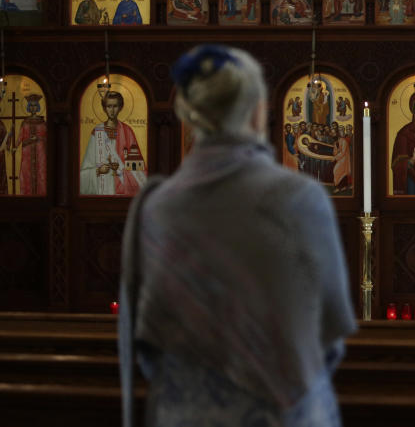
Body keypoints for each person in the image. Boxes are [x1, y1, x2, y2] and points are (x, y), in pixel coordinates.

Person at [118, 45, 356, 427]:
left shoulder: (157, 208)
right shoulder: (298, 199)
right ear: (259, 111)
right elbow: (328, 334)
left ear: (189, 113)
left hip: (184, 416)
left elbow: (150, 348)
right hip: (284, 414)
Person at [79, 91, 146, 196]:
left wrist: (120, 171)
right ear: (104, 108)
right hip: (101, 188)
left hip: (122, 190)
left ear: (120, 108)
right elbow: (84, 172)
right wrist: (98, 170)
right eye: (109, 106)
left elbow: (138, 168)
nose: (112, 110)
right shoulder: (97, 132)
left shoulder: (127, 132)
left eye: (115, 106)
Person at [16, 93, 46, 196]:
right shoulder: (25, 122)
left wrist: (38, 138)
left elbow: (47, 137)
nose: (33, 107)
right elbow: (20, 136)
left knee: (41, 174)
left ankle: (41, 196)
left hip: (40, 151)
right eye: (31, 105)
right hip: (27, 151)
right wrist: (15, 146)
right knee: (26, 173)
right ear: (29, 107)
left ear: (38, 107)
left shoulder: (42, 122)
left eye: (35, 105)